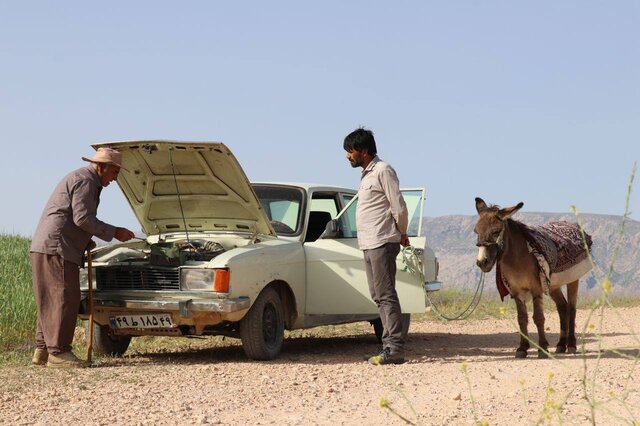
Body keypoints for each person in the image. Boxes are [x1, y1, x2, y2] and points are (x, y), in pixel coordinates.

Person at [30, 147, 135, 368]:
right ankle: (59, 352)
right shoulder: (87, 181)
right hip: (58, 247)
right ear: (102, 167)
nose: (115, 179)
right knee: (64, 298)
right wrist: (115, 232)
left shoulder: (82, 178)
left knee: (50, 299)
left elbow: (73, 217)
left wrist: (84, 240)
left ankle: (43, 350)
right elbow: (82, 218)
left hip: (47, 245)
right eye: (114, 172)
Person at [343, 127, 410, 365]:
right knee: (378, 295)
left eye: (350, 151)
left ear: (363, 150)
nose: (347, 156)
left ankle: (394, 349)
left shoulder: (383, 170)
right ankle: (389, 347)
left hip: (383, 240)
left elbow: (398, 206)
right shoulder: (366, 174)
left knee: (385, 294)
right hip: (369, 242)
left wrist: (402, 233)